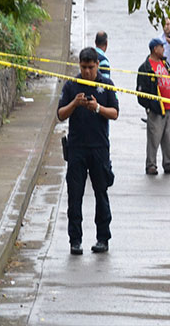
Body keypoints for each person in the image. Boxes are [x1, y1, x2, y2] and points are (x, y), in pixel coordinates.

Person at [57, 47, 119, 255]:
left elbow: (115, 113)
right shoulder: (72, 85)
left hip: (99, 148)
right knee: (75, 196)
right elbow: (60, 114)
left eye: (90, 67)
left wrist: (97, 108)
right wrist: (75, 103)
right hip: (77, 148)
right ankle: (75, 240)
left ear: (97, 65)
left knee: (101, 193)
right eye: (83, 67)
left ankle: (103, 237)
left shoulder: (106, 85)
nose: (87, 71)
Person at [137, 38, 170, 175]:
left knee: (168, 138)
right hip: (156, 110)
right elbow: (141, 92)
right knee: (154, 138)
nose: (163, 49)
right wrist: (150, 106)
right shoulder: (145, 68)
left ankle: (168, 163)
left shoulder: (165, 64)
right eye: (161, 47)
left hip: (169, 108)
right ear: (154, 49)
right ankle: (151, 165)